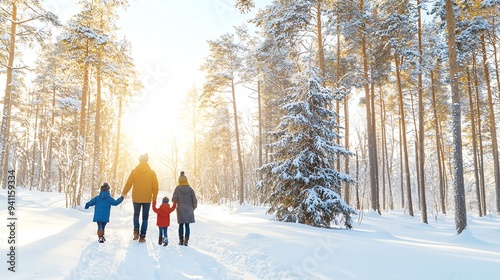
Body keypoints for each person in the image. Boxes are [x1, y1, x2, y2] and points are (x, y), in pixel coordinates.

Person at [121, 153, 159, 242]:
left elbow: (129, 183)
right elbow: (155, 187)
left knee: (136, 215)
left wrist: (124, 193)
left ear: (139, 161)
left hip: (136, 198)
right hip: (147, 198)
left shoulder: (134, 171)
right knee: (145, 218)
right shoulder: (152, 173)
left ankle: (136, 231)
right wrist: (154, 198)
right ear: (147, 161)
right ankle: (142, 236)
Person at [172, 171, 197, 246]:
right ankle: (186, 240)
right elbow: (194, 200)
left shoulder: (177, 189)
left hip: (180, 209)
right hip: (189, 209)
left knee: (180, 225)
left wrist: (176, 201)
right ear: (186, 180)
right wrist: (192, 208)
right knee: (187, 225)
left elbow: (174, 199)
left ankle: (181, 240)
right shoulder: (190, 189)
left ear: (179, 180)